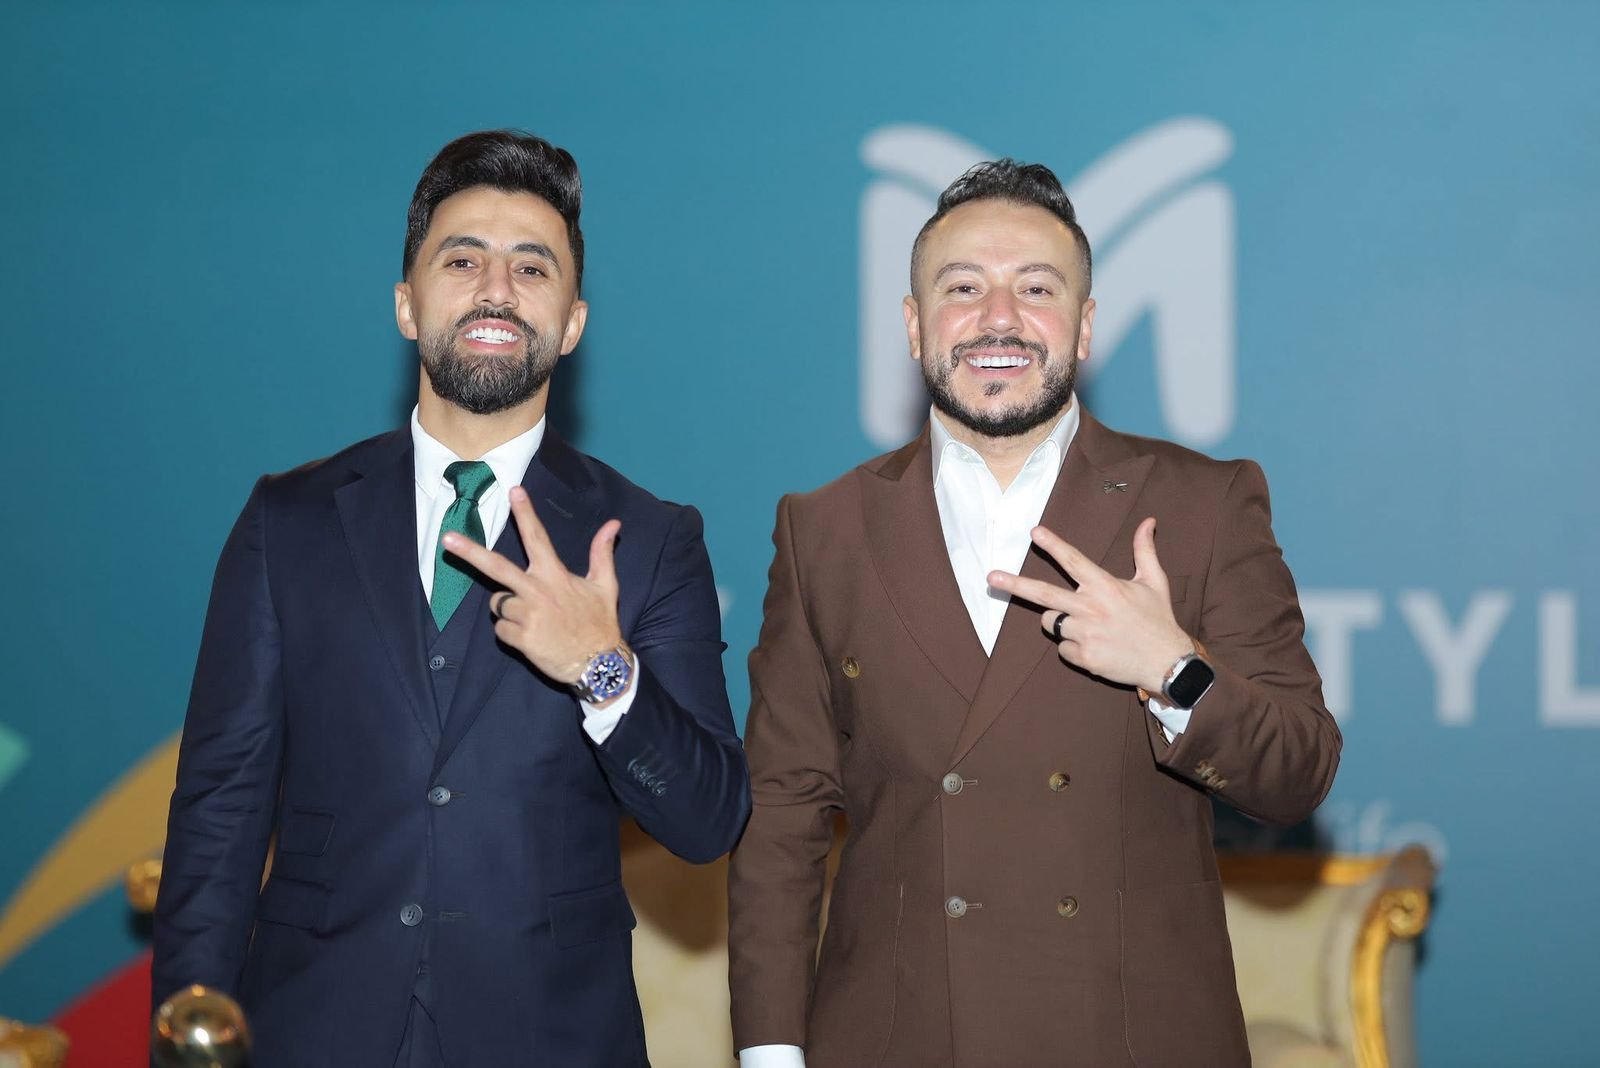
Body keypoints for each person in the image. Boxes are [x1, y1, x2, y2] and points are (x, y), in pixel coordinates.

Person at [151, 130, 750, 1067]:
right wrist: (189, 1036)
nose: (496, 290)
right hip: (311, 1028)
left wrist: (604, 669)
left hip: (549, 1036)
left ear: (574, 323)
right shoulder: (289, 520)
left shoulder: (647, 538)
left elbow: (709, 821)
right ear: (406, 304)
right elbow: (220, 808)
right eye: (462, 260)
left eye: (532, 268)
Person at [727, 159, 1340, 1067]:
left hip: (1129, 1039)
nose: (1000, 318)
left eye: (1038, 288)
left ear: (1085, 327)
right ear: (913, 325)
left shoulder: (1203, 503)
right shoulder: (825, 528)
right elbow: (782, 816)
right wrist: (771, 1053)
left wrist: (1173, 670)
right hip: (901, 1038)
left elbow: (1299, 773)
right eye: (963, 287)